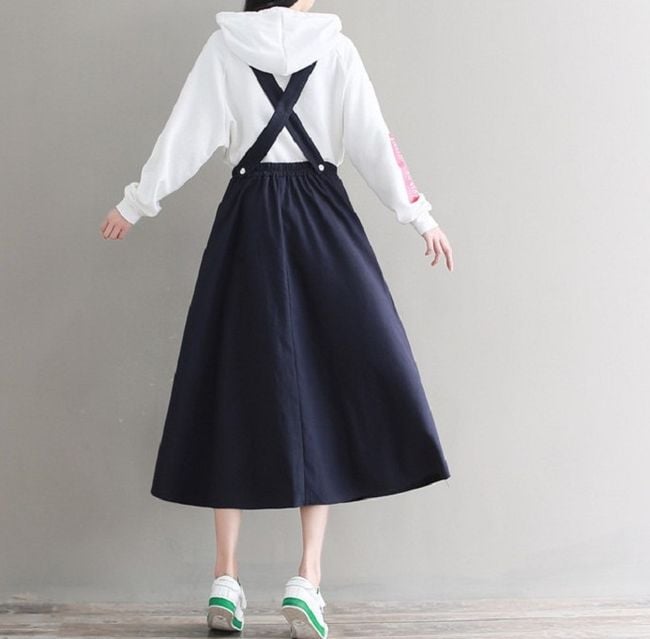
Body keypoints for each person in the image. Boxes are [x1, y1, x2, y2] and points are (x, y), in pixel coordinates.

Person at [100, 1, 454, 637]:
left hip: (249, 222)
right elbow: (374, 140)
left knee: (230, 386)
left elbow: (184, 134)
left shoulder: (225, 47)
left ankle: (225, 579)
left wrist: (137, 202)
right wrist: (419, 214)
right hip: (323, 218)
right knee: (328, 387)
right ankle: (307, 579)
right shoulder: (335, 48)